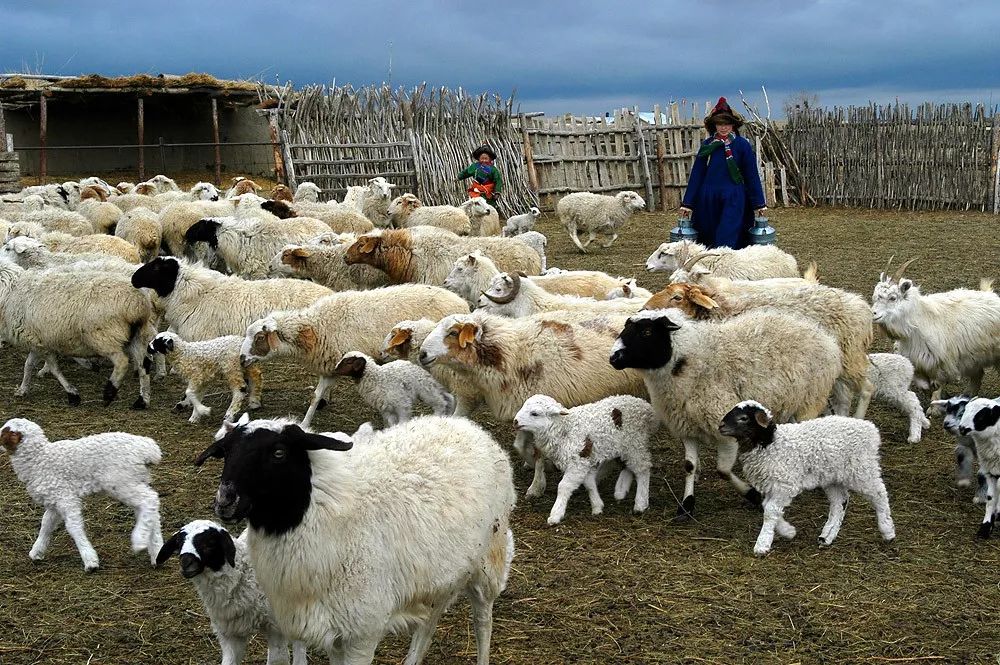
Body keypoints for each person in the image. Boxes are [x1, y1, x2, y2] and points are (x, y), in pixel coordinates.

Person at [679, 97, 767, 249]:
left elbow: (751, 175)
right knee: (708, 237)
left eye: (726, 124)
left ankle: (728, 268)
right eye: (720, 124)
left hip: (733, 198)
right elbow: (697, 174)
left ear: (733, 124)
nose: (723, 128)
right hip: (708, 198)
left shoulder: (741, 145)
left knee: (727, 236)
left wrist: (759, 203)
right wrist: (688, 204)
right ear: (714, 125)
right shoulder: (708, 146)